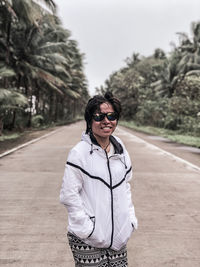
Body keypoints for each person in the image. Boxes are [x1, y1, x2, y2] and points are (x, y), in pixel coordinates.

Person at [60, 92, 138, 267]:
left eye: (111, 116)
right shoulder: (79, 153)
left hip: (118, 236)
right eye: (99, 116)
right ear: (89, 120)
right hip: (87, 239)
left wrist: (129, 221)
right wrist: (89, 230)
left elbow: (125, 186)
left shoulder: (120, 150)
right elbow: (68, 196)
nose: (106, 121)